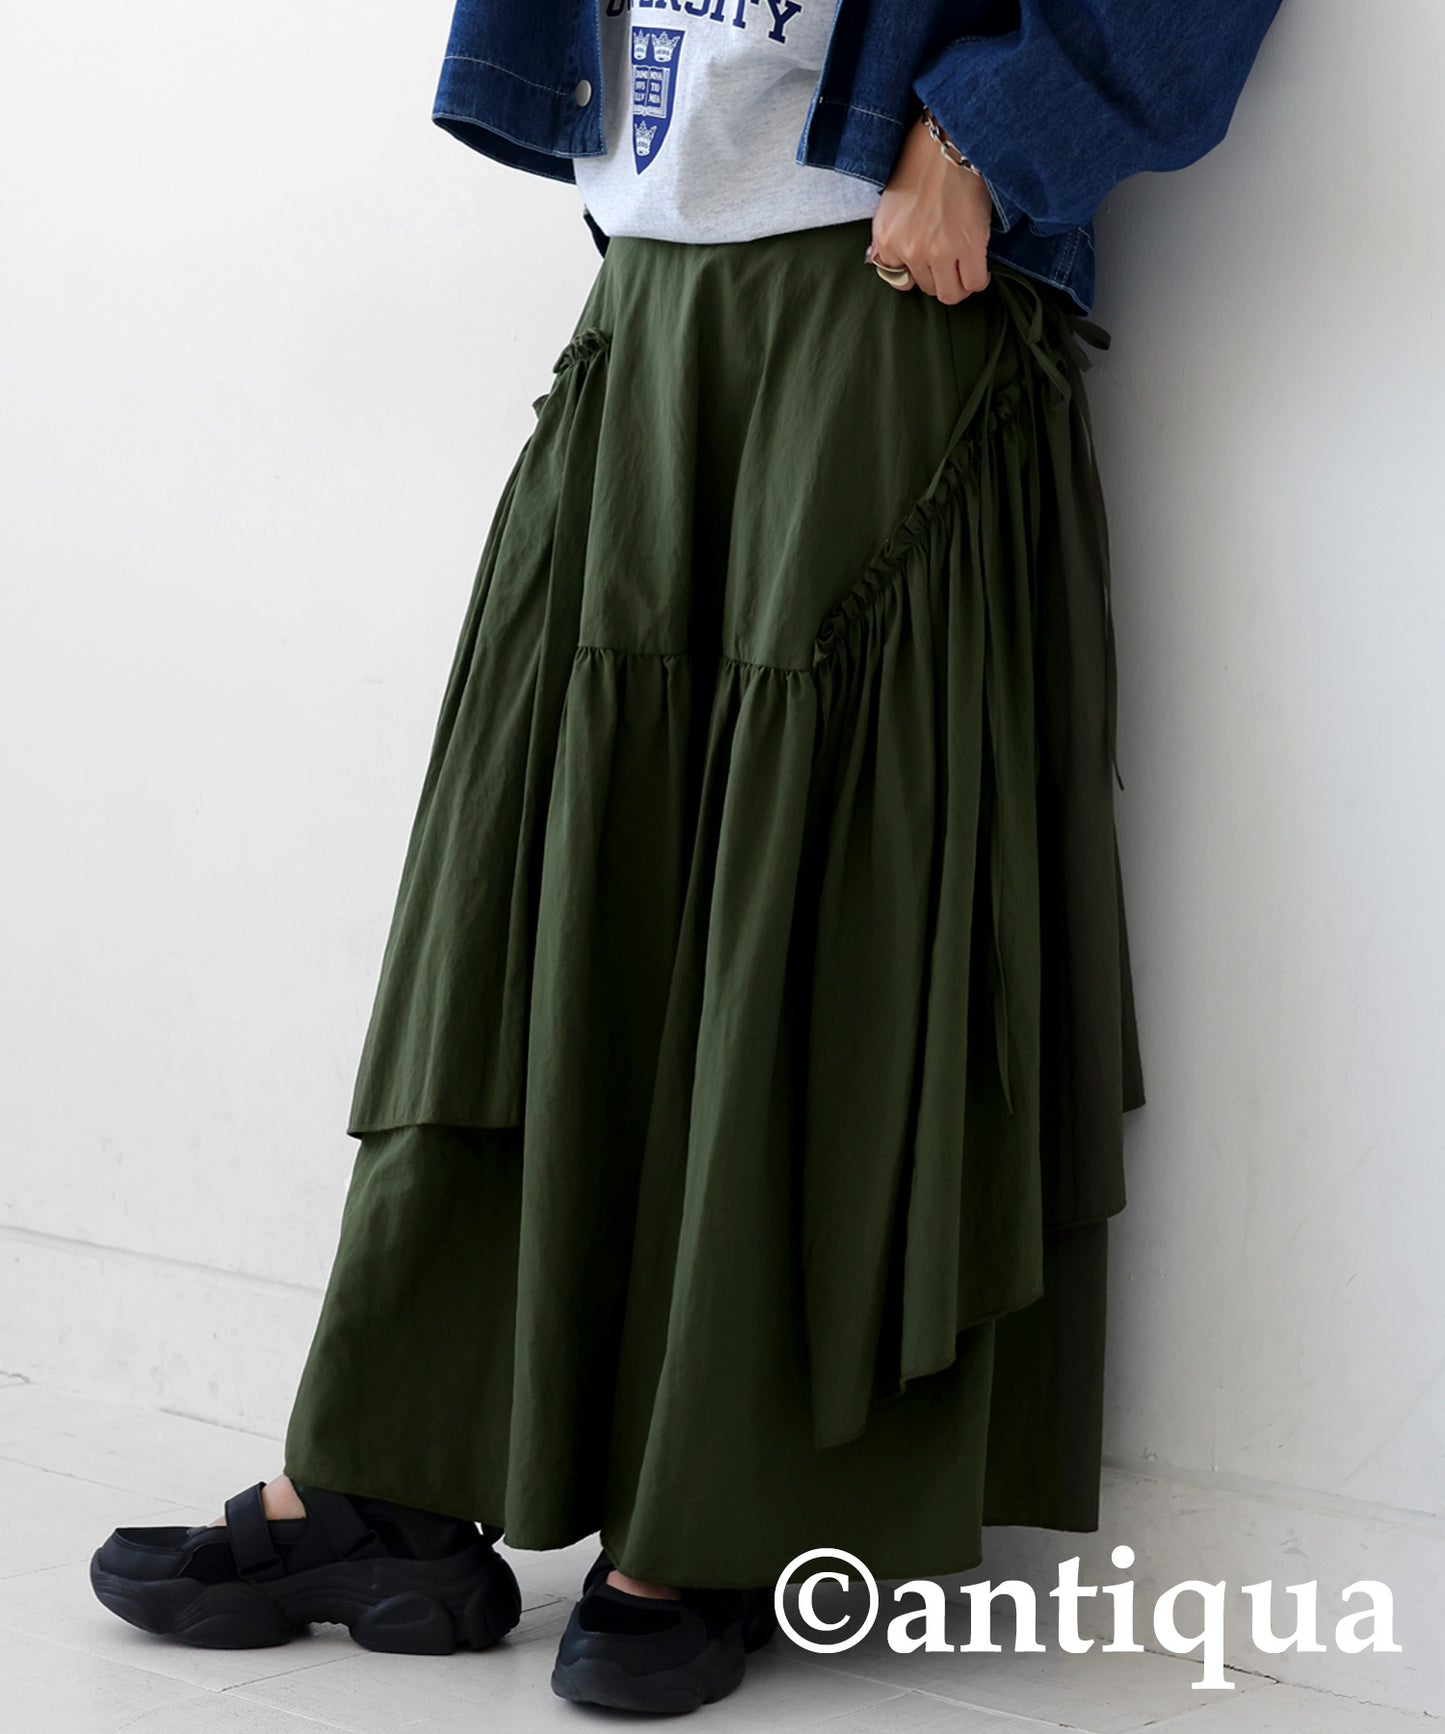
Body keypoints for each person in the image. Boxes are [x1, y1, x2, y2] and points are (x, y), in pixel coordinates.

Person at [89, 0, 1284, 1716]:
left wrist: (996, 127)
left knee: (807, 911)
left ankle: (723, 1512)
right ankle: (394, 1466)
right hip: (651, 279)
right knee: (525, 894)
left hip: (883, 284)